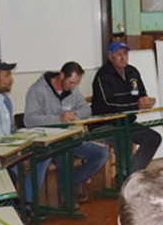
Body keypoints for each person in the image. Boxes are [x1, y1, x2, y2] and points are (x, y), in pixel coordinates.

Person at [22, 61, 110, 201]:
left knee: (101, 153)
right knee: (63, 153)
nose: (73, 87)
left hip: (69, 138)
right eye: (71, 82)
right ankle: (64, 196)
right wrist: (58, 119)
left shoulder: (72, 90)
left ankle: (69, 184)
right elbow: (29, 120)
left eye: (76, 83)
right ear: (61, 75)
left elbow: (87, 109)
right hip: (47, 141)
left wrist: (74, 114)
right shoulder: (37, 90)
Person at [91, 42, 163, 173]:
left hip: (127, 122)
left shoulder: (132, 72)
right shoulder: (102, 75)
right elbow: (108, 104)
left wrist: (146, 101)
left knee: (153, 137)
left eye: (125, 54)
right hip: (104, 124)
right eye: (119, 54)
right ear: (110, 56)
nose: (123, 57)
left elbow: (141, 94)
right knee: (124, 142)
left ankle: (130, 176)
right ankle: (127, 178)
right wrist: (136, 104)